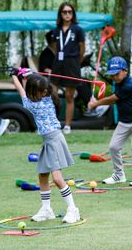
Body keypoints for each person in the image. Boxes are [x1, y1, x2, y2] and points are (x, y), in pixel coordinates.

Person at [11, 68, 80, 224]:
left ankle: (73, 209)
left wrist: (15, 76)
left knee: (57, 178)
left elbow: (21, 90)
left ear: (42, 92)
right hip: (49, 141)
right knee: (43, 176)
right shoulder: (48, 98)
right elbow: (29, 86)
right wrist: (25, 75)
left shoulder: (33, 105)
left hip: (54, 140)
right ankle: (47, 210)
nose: (30, 94)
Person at [87, 57, 132, 187]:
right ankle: (119, 175)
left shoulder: (129, 84)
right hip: (125, 120)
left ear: (125, 71)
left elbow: (112, 99)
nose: (114, 77)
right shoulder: (117, 82)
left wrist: (95, 104)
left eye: (117, 74)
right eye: (112, 75)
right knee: (114, 147)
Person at [49, 2, 85, 134]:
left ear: (73, 14)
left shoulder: (78, 29)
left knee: (69, 96)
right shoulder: (56, 30)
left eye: (70, 12)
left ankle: (68, 125)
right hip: (58, 63)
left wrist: (76, 61)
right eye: (64, 12)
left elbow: (82, 48)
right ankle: (52, 123)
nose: (67, 14)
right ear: (61, 14)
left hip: (72, 63)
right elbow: (54, 47)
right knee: (52, 94)